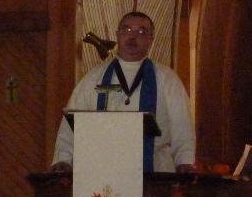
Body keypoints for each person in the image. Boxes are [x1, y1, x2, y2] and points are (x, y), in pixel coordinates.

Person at [50, 11, 196, 173]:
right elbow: (74, 122)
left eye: (141, 32)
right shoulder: (94, 78)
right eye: (126, 30)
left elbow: (181, 124)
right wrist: (63, 158)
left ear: (150, 39)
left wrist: (184, 160)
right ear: (118, 35)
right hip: (101, 169)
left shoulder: (167, 79)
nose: (132, 37)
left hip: (153, 172)